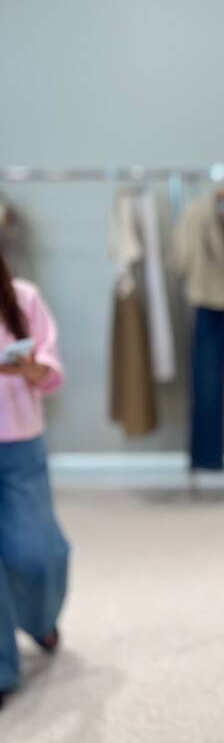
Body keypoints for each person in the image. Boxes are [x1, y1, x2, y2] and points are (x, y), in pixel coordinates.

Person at [0, 248, 70, 710]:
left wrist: (31, 369)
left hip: (20, 444)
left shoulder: (23, 297)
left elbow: (51, 371)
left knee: (37, 553)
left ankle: (40, 618)